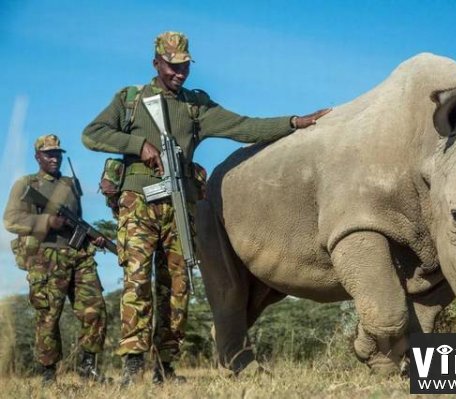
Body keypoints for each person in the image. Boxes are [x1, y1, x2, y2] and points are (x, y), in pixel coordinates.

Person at [81, 31, 330, 385]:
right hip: (138, 203)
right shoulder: (130, 100)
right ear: (156, 63)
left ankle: (165, 367)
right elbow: (92, 134)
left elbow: (243, 127)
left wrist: (292, 123)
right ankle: (132, 365)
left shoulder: (195, 105)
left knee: (178, 287)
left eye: (184, 66)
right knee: (137, 281)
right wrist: (139, 145)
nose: (179, 73)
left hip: (181, 204)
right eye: (172, 66)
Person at [3, 134, 110, 384]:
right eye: (48, 153)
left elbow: (77, 220)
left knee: (95, 311)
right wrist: (46, 221)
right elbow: (10, 220)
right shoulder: (26, 184)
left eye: (58, 153)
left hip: (79, 255)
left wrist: (92, 236)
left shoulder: (70, 183)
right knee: (49, 316)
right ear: (37, 156)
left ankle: (88, 368)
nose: (54, 157)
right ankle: (49, 374)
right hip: (46, 257)